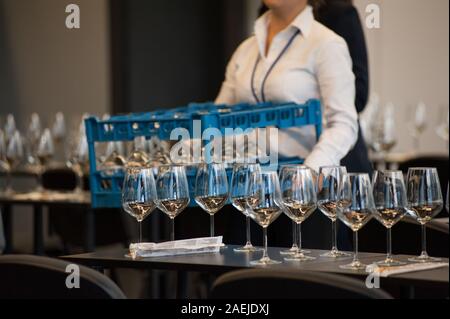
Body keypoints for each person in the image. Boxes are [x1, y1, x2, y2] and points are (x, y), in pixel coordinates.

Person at [216, 0, 358, 249]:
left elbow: (344, 123)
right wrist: (187, 148)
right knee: (245, 283)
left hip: (304, 194)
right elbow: (219, 118)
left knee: (299, 284)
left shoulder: (326, 43)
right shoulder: (245, 50)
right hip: (246, 192)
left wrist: (309, 173)